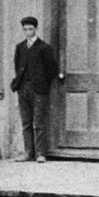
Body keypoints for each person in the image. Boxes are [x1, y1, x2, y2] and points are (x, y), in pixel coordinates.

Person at [10, 16, 63, 163]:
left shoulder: (44, 48)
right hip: (23, 89)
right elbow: (17, 67)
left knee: (39, 122)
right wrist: (20, 85)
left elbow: (52, 69)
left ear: (36, 29)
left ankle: (40, 153)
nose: (28, 32)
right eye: (25, 29)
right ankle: (28, 153)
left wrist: (41, 83)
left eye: (31, 29)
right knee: (26, 122)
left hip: (38, 90)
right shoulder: (20, 47)